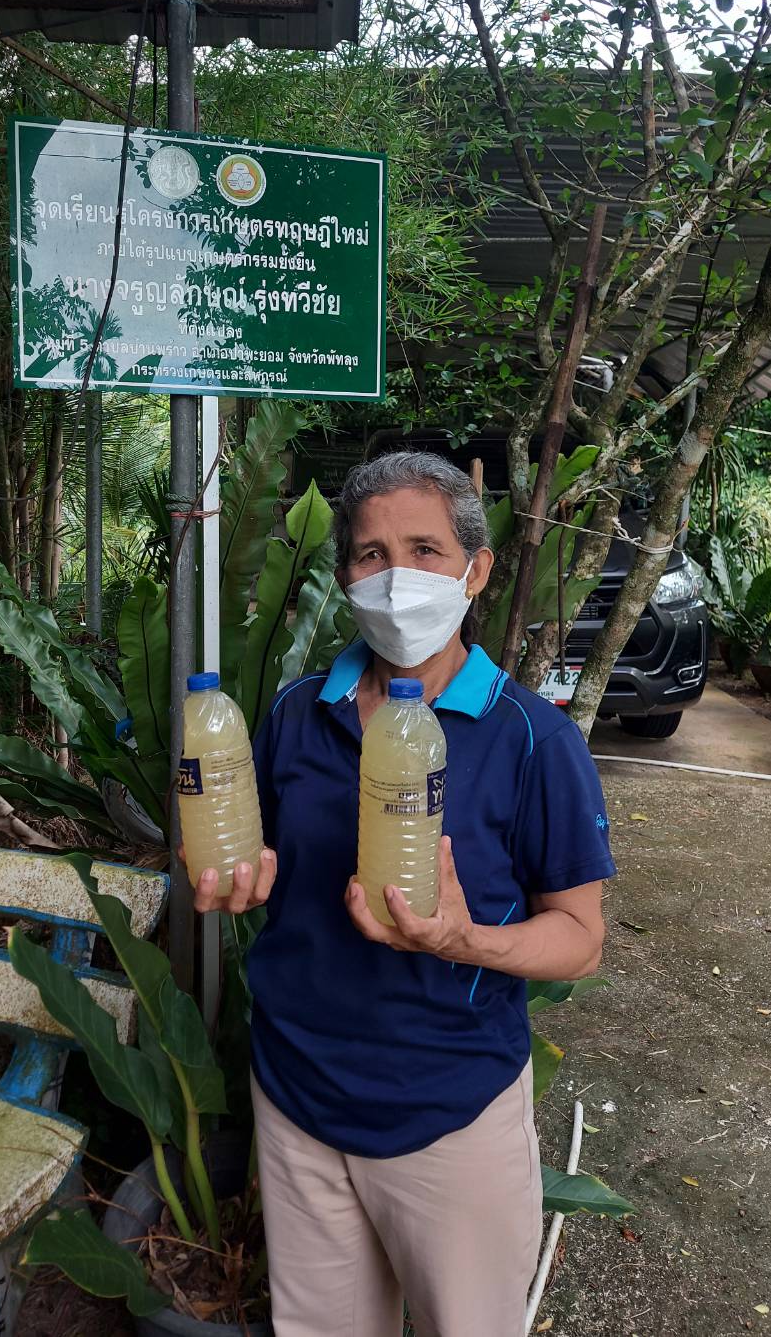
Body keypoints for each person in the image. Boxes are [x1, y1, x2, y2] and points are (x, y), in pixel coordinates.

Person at [192, 450, 616, 1337]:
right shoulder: (296, 711)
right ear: (345, 576)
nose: (396, 578)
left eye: (425, 550)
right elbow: (250, 847)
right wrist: (238, 875)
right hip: (299, 1099)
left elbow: (580, 938)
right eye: (371, 554)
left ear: (476, 570)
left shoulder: (532, 740)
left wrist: (467, 939)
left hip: (449, 1113)